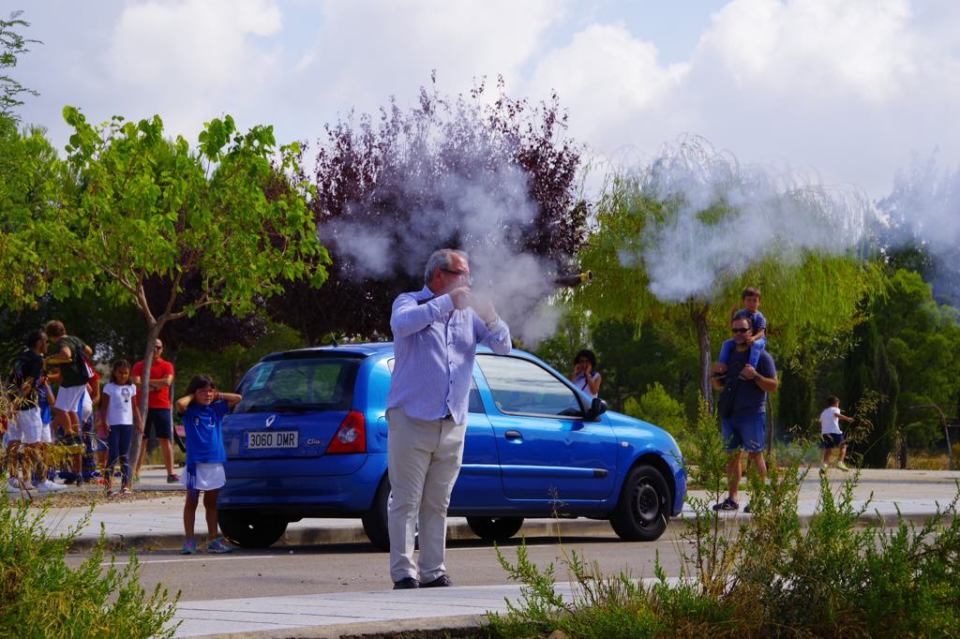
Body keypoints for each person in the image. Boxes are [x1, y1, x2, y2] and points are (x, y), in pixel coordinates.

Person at [387, 248, 511, 589]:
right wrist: (447, 303)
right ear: (439, 276)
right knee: (405, 500)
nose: (468, 281)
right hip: (411, 420)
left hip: (453, 421)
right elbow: (402, 324)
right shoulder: (409, 301)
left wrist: (491, 316)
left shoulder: (469, 316)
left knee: (437, 502)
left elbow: (504, 346)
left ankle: (433, 570)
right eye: (461, 274)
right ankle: (403, 572)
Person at [710, 315, 779, 512]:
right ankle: (732, 499)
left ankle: (757, 499)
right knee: (732, 457)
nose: (738, 334)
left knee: (755, 455)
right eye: (735, 330)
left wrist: (755, 375)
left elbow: (774, 386)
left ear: (751, 332)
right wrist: (714, 374)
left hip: (753, 415)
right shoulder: (728, 355)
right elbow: (717, 386)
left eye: (743, 330)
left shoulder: (762, 357)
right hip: (730, 414)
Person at [175, 375, 242, 554]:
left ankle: (214, 538)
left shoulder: (216, 409)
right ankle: (190, 540)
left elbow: (238, 398)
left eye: (210, 390)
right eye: (203, 391)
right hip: (195, 464)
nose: (207, 394)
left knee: (211, 503)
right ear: (194, 392)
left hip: (215, 462)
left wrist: (217, 395)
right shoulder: (189, 410)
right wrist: (191, 395)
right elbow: (180, 404)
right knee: (191, 502)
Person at [7, 330, 65, 493]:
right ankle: (42, 480)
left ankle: (12, 480)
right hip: (27, 407)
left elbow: (10, 380)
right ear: (39, 342)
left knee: (14, 442)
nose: (47, 345)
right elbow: (28, 383)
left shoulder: (20, 357)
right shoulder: (37, 359)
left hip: (13, 405)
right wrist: (19, 401)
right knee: (34, 444)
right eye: (46, 342)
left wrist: (10, 403)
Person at [44, 320, 93, 484]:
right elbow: (89, 351)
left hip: (71, 380)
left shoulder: (62, 342)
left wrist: (52, 358)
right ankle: (75, 432)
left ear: (51, 335)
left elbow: (66, 355)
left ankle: (69, 434)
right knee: (70, 408)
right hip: (82, 380)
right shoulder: (74, 339)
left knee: (59, 409)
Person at [133, 339, 178, 483]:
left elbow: (167, 382)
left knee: (165, 439)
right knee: (141, 440)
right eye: (152, 347)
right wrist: (156, 384)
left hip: (162, 406)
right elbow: (136, 383)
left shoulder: (167, 365)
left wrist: (147, 382)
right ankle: (135, 473)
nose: (155, 350)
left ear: (162, 349)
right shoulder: (139, 365)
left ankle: (171, 473)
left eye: (158, 347)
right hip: (143, 407)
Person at [99, 360, 144, 494]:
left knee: (125, 455)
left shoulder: (131, 388)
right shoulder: (109, 387)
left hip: (127, 425)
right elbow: (103, 407)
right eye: (120, 373)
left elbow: (134, 406)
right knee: (113, 454)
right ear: (115, 372)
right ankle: (108, 486)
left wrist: (139, 421)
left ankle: (126, 485)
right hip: (113, 424)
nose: (123, 376)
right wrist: (104, 422)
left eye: (125, 373)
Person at [715, 287, 767, 379]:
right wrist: (732, 313)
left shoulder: (759, 317)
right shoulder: (740, 313)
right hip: (743, 338)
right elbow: (733, 325)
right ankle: (722, 367)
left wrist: (753, 338)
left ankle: (750, 369)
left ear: (759, 303)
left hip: (758, 339)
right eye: (749, 300)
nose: (751, 303)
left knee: (755, 346)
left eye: (754, 301)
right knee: (726, 344)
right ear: (744, 301)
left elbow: (761, 332)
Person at [820, 395, 854, 472]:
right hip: (834, 432)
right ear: (836, 403)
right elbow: (836, 415)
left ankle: (824, 465)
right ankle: (840, 462)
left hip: (825, 433)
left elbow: (822, 421)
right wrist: (847, 418)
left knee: (828, 449)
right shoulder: (835, 409)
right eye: (838, 403)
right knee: (843, 446)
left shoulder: (824, 412)